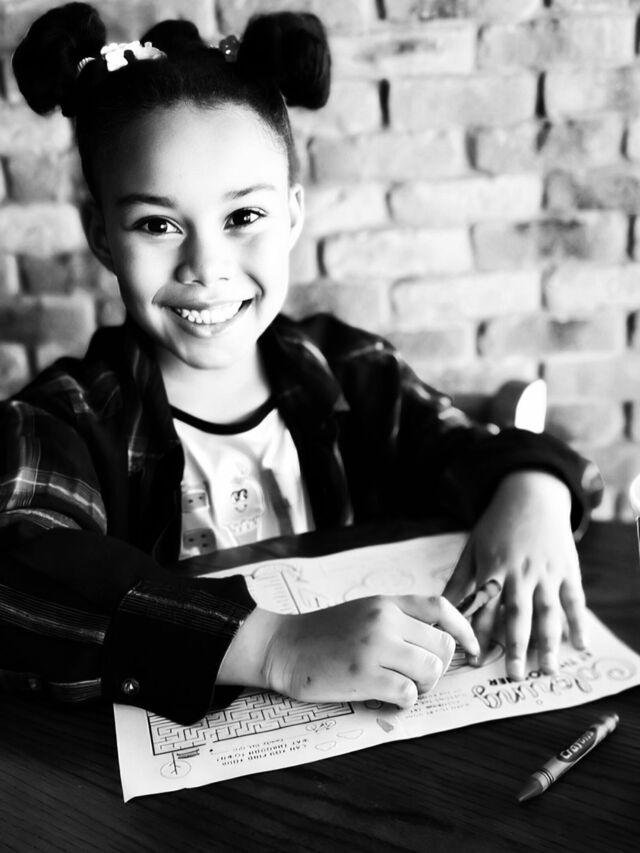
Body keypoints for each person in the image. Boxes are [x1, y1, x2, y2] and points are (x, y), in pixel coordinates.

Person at [1, 3, 602, 726]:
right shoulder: (63, 417)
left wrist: (535, 490)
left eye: (243, 217)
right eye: (157, 224)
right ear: (102, 235)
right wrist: (274, 646)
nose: (206, 268)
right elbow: (17, 576)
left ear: (291, 212)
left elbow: (464, 448)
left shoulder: (350, 369)